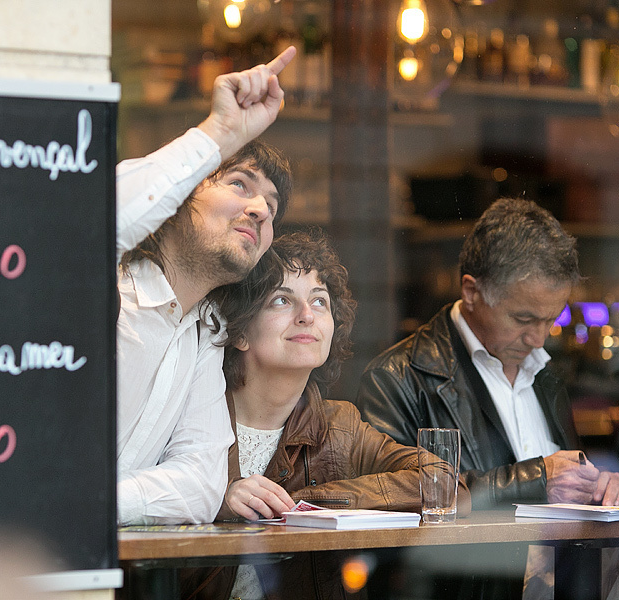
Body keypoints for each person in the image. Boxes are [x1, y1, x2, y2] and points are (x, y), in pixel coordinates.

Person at [179, 230, 470, 600]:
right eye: (282, 300)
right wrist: (215, 499)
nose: (307, 316)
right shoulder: (190, 420)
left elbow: (446, 485)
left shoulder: (341, 427)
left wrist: (310, 503)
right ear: (239, 330)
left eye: (320, 301)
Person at [355, 198, 619, 598]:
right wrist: (536, 480)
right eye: (524, 319)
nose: (539, 337)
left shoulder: (547, 372)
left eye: (552, 318)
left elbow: (564, 494)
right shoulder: (396, 378)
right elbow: (387, 508)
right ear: (472, 291)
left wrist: (598, 489)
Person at [115, 47, 297, 526]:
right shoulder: (106, 279)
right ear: (178, 196)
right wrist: (218, 134)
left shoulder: (205, 332)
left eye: (271, 207)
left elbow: (200, 485)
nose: (260, 209)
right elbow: (95, 212)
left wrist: (81, 502)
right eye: (240, 184)